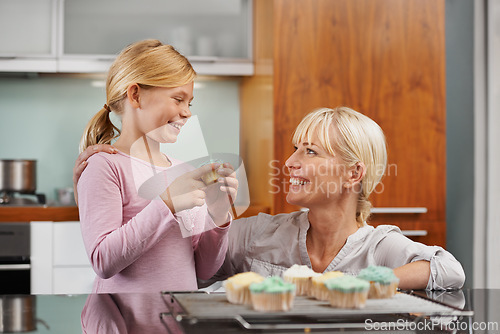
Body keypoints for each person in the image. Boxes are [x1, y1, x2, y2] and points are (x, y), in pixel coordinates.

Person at [76, 106, 465, 291]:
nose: (291, 162)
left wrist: (364, 281)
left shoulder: (378, 247)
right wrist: (118, 160)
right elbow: (183, 259)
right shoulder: (262, 233)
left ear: (353, 173)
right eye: (295, 149)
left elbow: (449, 271)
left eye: (310, 152)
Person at [76, 39, 238, 294]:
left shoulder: (184, 172)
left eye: (189, 103)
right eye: (178, 99)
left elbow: (203, 270)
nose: (186, 113)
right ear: (136, 95)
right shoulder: (104, 166)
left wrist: (217, 216)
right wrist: (167, 203)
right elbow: (103, 261)